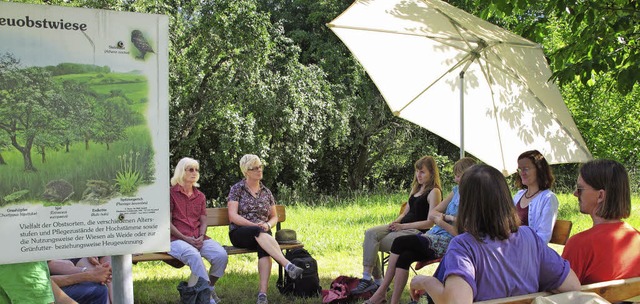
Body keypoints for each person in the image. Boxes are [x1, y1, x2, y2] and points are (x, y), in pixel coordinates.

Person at [410, 164, 581, 303]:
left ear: (466, 205)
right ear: (505, 199)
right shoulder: (530, 238)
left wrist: (425, 281)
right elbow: (573, 287)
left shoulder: (464, 246)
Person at [364, 157, 476, 304]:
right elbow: (433, 214)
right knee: (404, 257)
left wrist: (441, 221)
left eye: (458, 176)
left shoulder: (473, 199)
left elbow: (459, 233)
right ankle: (393, 301)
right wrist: (449, 218)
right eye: (455, 175)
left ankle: (381, 292)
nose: (455, 179)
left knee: (399, 242)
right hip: (434, 235)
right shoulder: (455, 192)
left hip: (446, 242)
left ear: (470, 176)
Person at [352, 155, 442, 295]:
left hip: (415, 232)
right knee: (370, 234)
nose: (418, 175)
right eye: (417, 171)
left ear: (432, 173)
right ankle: (373, 280)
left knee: (371, 243)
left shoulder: (434, 192)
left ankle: (373, 281)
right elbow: (405, 212)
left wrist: (403, 227)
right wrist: (396, 221)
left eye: (422, 172)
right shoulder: (416, 188)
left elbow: (430, 222)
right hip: (402, 226)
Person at [227, 154, 304, 304]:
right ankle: (287, 265)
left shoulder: (266, 191)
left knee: (264, 246)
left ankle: (262, 295)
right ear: (246, 171)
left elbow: (274, 216)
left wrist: (268, 225)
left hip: (263, 232)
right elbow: (232, 216)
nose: (259, 170)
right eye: (254, 168)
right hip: (240, 232)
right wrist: (254, 225)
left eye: (260, 167)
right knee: (259, 233)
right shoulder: (237, 189)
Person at [562, 159, 640, 284]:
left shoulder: (579, 245)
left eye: (580, 189)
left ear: (600, 196)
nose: (575, 193)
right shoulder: (636, 239)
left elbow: (559, 295)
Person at [169, 157, 228, 304]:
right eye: (190, 169)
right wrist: (185, 238)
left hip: (197, 237)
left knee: (221, 255)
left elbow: (203, 220)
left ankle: (208, 288)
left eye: (196, 170)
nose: (195, 173)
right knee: (194, 256)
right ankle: (208, 298)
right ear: (181, 172)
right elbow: (167, 224)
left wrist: (201, 236)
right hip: (175, 240)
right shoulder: (170, 194)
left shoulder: (200, 196)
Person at [513, 150, 559, 243]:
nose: (522, 173)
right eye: (520, 169)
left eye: (526, 168)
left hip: (531, 253)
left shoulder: (548, 198)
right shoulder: (519, 195)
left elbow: (543, 236)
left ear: (539, 169)